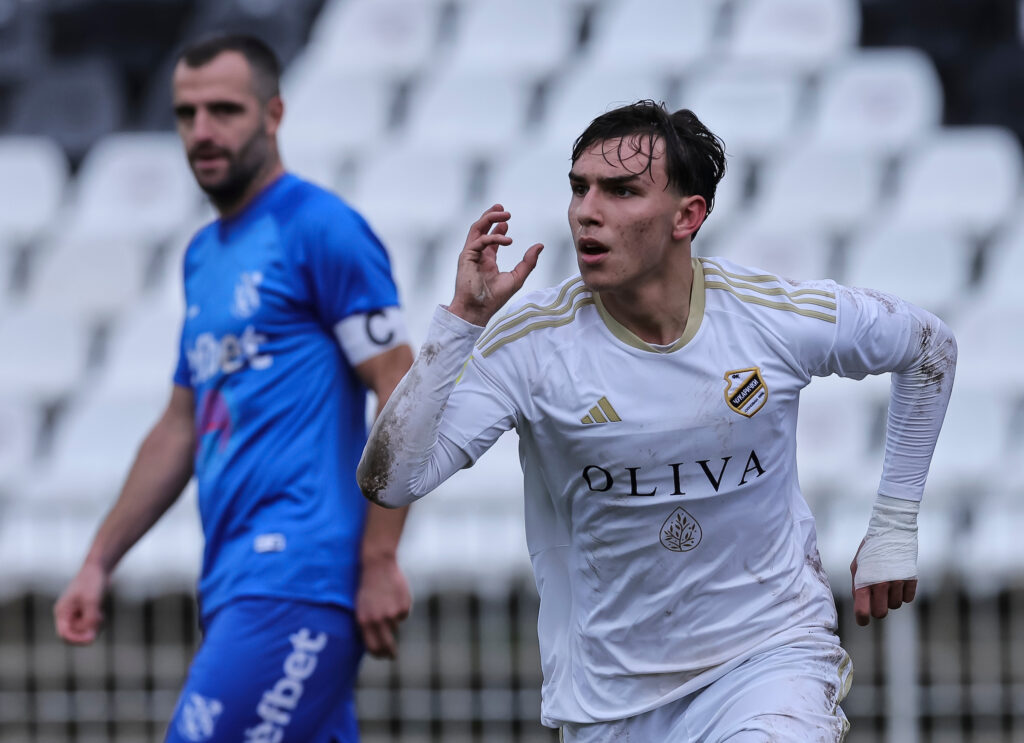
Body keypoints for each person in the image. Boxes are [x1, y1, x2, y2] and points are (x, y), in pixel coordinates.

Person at [357, 100, 956, 741]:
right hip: (609, 698)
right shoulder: (531, 346)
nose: (588, 210)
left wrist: (894, 527)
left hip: (767, 658)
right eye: (579, 188)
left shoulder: (768, 317)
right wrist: (461, 323)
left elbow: (928, 348)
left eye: (621, 191)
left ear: (687, 216)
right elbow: (392, 482)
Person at [54, 34, 414, 742]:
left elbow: (401, 384)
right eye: (187, 114)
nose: (203, 132)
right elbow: (181, 424)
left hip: (297, 578)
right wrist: (99, 560)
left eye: (224, 110)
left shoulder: (320, 228)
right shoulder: (203, 255)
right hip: (233, 580)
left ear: (274, 113)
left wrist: (379, 556)